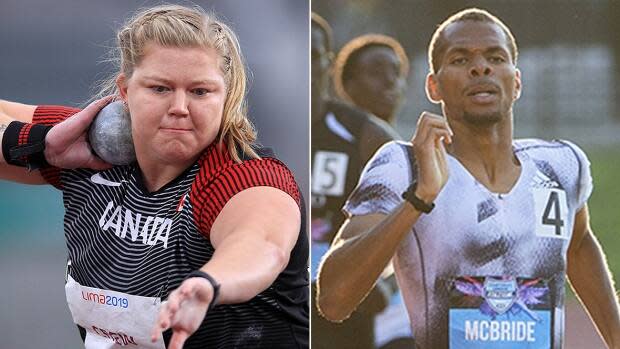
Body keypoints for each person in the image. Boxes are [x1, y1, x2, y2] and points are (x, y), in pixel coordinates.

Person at [0, 5, 308, 349]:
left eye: (200, 91)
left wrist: (209, 284)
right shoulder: (83, 145)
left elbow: (261, 247)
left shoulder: (244, 176)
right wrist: (36, 144)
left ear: (227, 95)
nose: (179, 106)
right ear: (126, 91)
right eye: (160, 88)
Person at [316, 7, 620, 349]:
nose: (481, 67)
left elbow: (578, 246)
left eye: (495, 57)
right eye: (461, 60)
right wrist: (418, 199)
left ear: (516, 81)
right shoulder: (404, 167)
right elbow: (334, 298)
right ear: (434, 86)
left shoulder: (561, 166)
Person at [311, 12, 400, 349]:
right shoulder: (245, 130)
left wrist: (388, 286)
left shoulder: (366, 135)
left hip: (340, 285)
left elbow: (418, 210)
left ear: (328, 63)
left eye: (313, 56)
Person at [332, 34, 409, 125]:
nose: (390, 80)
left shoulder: (411, 137)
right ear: (349, 84)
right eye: (376, 72)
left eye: (397, 72)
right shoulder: (333, 137)